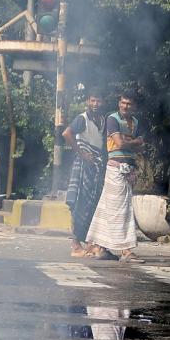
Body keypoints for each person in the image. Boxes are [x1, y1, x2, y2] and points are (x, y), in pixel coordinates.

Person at [85, 89, 145, 262]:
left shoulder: (135, 121)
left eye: (129, 104)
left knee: (109, 207)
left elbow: (142, 145)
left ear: (134, 106)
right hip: (116, 168)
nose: (125, 106)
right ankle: (126, 251)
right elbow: (119, 143)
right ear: (119, 103)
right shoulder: (113, 119)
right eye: (123, 102)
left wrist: (130, 142)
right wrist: (132, 142)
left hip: (129, 168)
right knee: (120, 210)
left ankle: (100, 247)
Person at [63, 91, 106, 257]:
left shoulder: (101, 120)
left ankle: (88, 243)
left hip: (95, 167)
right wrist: (80, 153)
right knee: (78, 203)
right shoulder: (82, 118)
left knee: (91, 205)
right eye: (93, 100)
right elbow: (67, 133)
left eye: (98, 100)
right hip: (83, 166)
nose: (95, 104)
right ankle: (75, 244)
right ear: (88, 101)